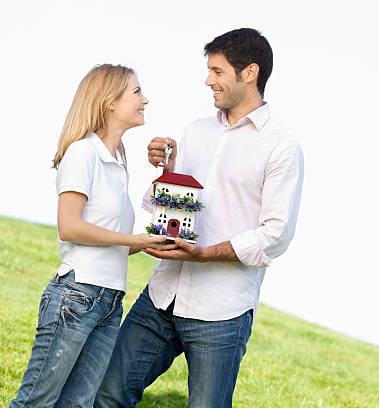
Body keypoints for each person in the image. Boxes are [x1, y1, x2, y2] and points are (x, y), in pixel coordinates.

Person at [94, 28, 304, 408]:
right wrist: (167, 171)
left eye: (218, 72)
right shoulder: (195, 130)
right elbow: (170, 210)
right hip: (162, 296)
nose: (209, 81)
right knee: (108, 394)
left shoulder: (281, 149)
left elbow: (276, 234)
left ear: (250, 72)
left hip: (221, 312)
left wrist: (204, 254)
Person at [9, 64, 172, 408]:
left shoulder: (117, 162)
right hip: (76, 297)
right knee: (36, 403)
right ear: (110, 101)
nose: (146, 99)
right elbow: (70, 227)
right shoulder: (83, 153)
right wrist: (136, 241)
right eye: (136, 92)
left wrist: (149, 244)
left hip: (109, 301)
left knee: (78, 405)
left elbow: (107, 240)